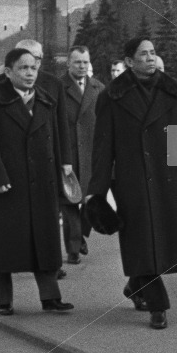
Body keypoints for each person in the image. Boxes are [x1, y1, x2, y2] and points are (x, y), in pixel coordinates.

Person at [88, 38, 177, 329]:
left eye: (153, 53)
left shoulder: (176, 92)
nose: (150, 58)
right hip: (132, 179)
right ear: (129, 61)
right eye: (143, 54)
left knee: (160, 238)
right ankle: (158, 304)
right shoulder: (111, 97)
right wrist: (97, 191)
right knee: (141, 237)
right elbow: (103, 146)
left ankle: (135, 285)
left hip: (170, 175)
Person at [0, 48, 74, 315]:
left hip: (42, 181)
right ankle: (4, 299)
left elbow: (57, 136)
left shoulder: (45, 100)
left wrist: (63, 167)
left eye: (33, 68)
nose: (31, 73)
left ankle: (50, 297)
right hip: (9, 182)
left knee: (45, 239)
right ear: (8, 72)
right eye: (23, 68)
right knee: (6, 243)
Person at [60, 45, 103, 265]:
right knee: (69, 205)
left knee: (89, 201)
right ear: (68, 63)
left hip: (91, 156)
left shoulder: (98, 88)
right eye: (77, 62)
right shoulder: (58, 87)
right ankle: (73, 249)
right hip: (67, 155)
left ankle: (81, 236)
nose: (82, 66)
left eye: (85, 62)